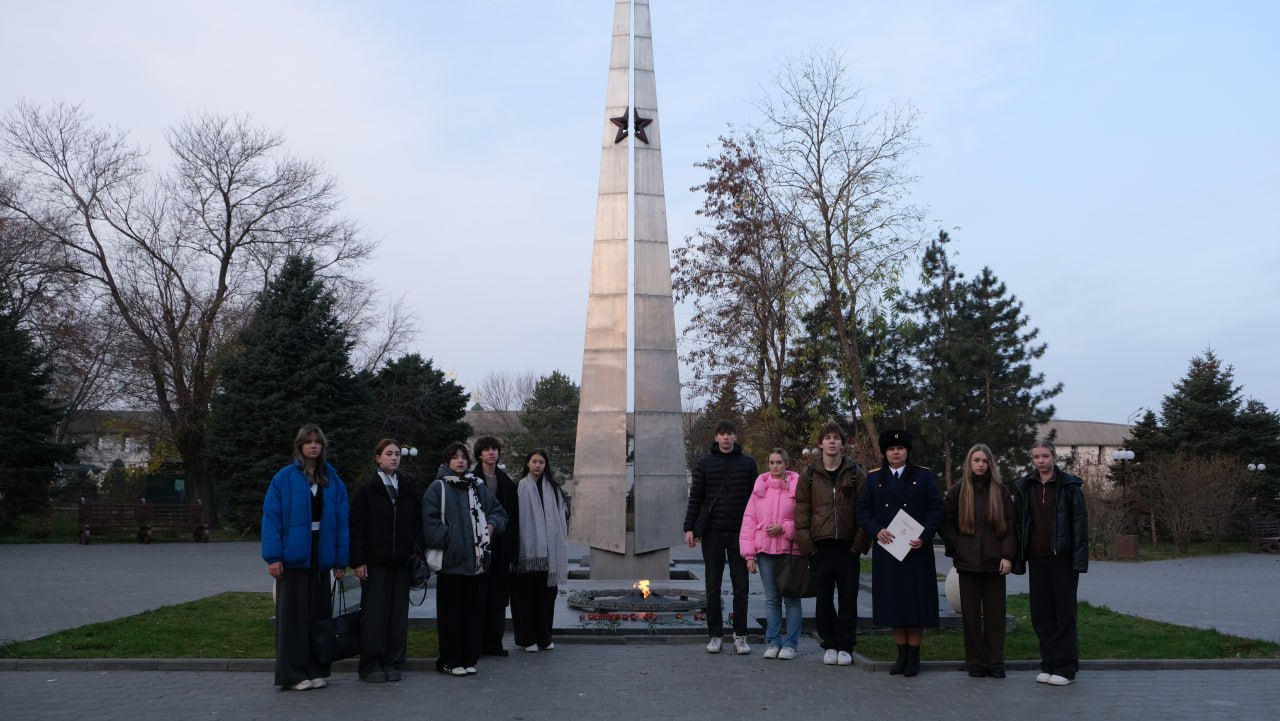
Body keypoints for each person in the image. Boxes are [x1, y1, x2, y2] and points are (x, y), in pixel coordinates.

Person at [261, 424, 350, 691]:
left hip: (321, 555)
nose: (313, 445)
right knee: (293, 618)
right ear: (300, 445)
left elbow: (341, 524)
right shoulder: (284, 478)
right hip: (293, 556)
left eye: (317, 442)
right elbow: (271, 518)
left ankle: (315, 669)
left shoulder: (333, 480)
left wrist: (339, 561)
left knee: (318, 616)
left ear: (323, 446)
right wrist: (273, 557)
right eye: (308, 441)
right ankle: (293, 674)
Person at [856, 428, 944, 678]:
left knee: (915, 606)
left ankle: (914, 655)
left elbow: (936, 508)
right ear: (885, 453)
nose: (896, 453)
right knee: (894, 605)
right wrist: (876, 530)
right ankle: (901, 654)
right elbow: (863, 510)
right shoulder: (874, 479)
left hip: (916, 551)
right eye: (891, 449)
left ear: (907, 451)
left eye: (900, 448)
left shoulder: (924, 477)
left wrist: (925, 536)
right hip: (889, 550)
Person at [422, 441, 509, 677]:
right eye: (454, 457)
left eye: (463, 457)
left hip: (477, 564)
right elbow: (430, 526)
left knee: (473, 614)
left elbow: (499, 512)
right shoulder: (437, 488)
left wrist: (491, 526)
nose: (460, 461)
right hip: (451, 565)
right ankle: (450, 660)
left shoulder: (477, 486)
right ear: (447, 461)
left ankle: (469, 658)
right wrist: (451, 541)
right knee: (452, 616)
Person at [939, 443, 1017, 679]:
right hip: (968, 563)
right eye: (977, 460)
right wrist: (959, 546)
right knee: (971, 617)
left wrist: (1007, 555)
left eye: (985, 461)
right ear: (969, 463)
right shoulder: (958, 491)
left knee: (995, 616)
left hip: (995, 564)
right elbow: (945, 523)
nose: (981, 465)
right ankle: (975, 662)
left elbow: (1011, 526)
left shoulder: (1000, 491)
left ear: (990, 463)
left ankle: (995, 661)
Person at [794, 420, 869, 666]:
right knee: (824, 598)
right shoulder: (810, 475)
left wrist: (858, 545)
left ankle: (846, 645)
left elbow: (865, 511)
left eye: (837, 438)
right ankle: (830, 643)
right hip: (820, 547)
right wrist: (808, 546)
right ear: (820, 443)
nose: (832, 441)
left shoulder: (857, 474)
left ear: (843, 444)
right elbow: (802, 512)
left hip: (848, 547)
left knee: (848, 598)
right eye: (828, 438)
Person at [1015, 439, 1088, 686]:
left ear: (1054, 457)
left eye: (1045, 456)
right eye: (1036, 457)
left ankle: (1065, 668)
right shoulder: (1026, 486)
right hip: (1037, 560)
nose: (1040, 460)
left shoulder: (1070, 486)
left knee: (1064, 615)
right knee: (1041, 615)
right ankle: (1048, 665)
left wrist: (1078, 561)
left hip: (1063, 561)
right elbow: (1020, 524)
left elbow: (1079, 525)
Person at [682, 420, 758, 654]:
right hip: (713, 532)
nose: (726, 438)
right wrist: (689, 528)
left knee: (741, 587)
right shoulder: (705, 463)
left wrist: (755, 531)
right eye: (722, 434)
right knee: (712, 586)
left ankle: (740, 635)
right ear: (716, 438)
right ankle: (715, 635)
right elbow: (696, 497)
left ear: (735, 437)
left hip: (740, 532)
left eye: (730, 434)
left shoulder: (747, 463)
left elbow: (756, 501)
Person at [349, 439, 421, 683]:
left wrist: (416, 551)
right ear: (378, 458)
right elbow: (356, 527)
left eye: (397, 454)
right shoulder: (367, 490)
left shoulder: (407, 487)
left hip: (401, 563)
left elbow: (416, 523)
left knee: (398, 616)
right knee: (374, 616)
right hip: (374, 563)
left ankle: (393, 662)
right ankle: (371, 664)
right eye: (388, 454)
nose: (394, 458)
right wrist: (358, 561)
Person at [739, 447, 804, 660]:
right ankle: (773, 641)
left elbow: (804, 520)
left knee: (792, 599)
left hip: (790, 552)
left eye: (779, 462)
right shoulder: (760, 488)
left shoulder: (797, 487)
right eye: (772, 462)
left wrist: (784, 529)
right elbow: (749, 521)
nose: (775, 466)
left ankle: (791, 644)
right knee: (772, 599)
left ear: (786, 464)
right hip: (765, 551)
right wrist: (749, 555)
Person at [512, 448, 570, 652]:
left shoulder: (553, 488)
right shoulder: (521, 487)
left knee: (546, 598)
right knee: (526, 598)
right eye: (534, 461)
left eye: (541, 462)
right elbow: (517, 519)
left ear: (546, 466)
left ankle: (544, 637)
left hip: (550, 554)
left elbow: (563, 517)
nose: (538, 465)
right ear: (528, 463)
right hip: (527, 554)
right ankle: (527, 639)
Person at [472, 436, 519, 657]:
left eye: (495, 449)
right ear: (479, 454)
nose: (491, 453)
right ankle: (478, 642)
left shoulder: (507, 482)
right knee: (479, 595)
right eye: (487, 450)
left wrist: (512, 552)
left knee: (499, 599)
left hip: (500, 549)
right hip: (477, 548)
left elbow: (513, 519)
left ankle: (494, 643)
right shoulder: (471, 480)